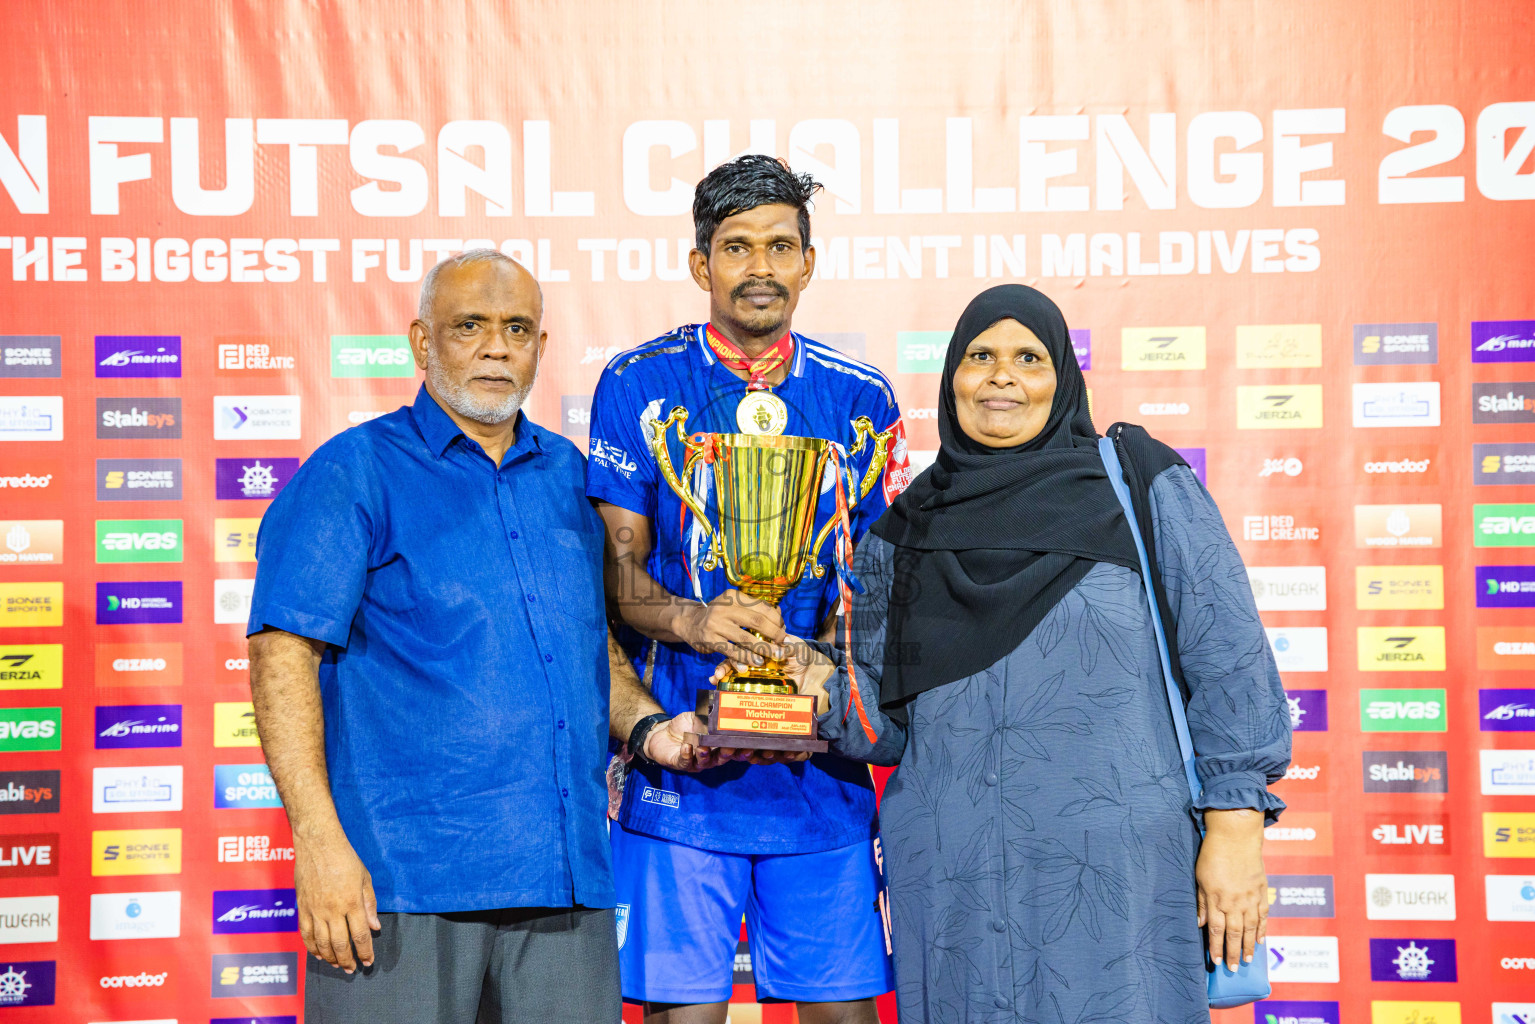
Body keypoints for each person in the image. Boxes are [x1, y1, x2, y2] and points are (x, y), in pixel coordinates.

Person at [780, 285, 1293, 1023]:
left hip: (1117, 876)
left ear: (1062, 381)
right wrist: (812, 680)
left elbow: (1229, 660)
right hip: (953, 879)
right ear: (951, 375)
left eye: (1028, 358)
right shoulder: (901, 530)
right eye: (979, 356)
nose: (1000, 376)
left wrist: (1235, 831)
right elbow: (883, 729)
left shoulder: (1139, 483)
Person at [247, 250, 703, 1023]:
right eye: (471, 327)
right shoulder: (353, 472)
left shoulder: (570, 475)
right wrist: (319, 843)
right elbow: (280, 653)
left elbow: (589, 646)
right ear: (423, 344)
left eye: (517, 328)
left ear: (541, 348)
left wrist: (650, 727)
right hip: (401, 885)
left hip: (564, 887)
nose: (497, 348)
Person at [587, 155, 909, 1023]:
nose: (759, 267)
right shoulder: (637, 383)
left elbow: (872, 587)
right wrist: (696, 622)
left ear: (808, 262)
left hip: (822, 775)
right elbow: (617, 574)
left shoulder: (860, 397)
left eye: (779, 245)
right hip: (685, 765)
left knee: (841, 1014)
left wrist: (823, 676)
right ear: (702, 266)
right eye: (736, 247)